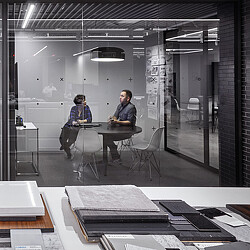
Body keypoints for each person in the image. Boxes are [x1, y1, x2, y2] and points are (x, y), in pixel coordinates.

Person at [107, 89, 136, 161]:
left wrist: (117, 122)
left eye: (122, 96)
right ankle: (114, 153)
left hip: (127, 131)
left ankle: (115, 156)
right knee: (106, 137)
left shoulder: (131, 108)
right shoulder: (120, 106)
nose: (120, 97)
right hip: (119, 129)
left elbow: (130, 122)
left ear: (128, 98)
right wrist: (112, 118)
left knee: (107, 138)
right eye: (120, 95)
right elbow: (115, 117)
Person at [59, 94, 92, 159]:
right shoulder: (73, 108)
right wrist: (75, 122)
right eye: (83, 100)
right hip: (69, 126)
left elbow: (89, 119)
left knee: (71, 140)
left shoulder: (87, 108)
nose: (85, 102)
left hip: (77, 128)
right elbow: (72, 119)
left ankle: (66, 147)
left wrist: (80, 121)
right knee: (61, 139)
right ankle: (66, 148)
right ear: (79, 102)